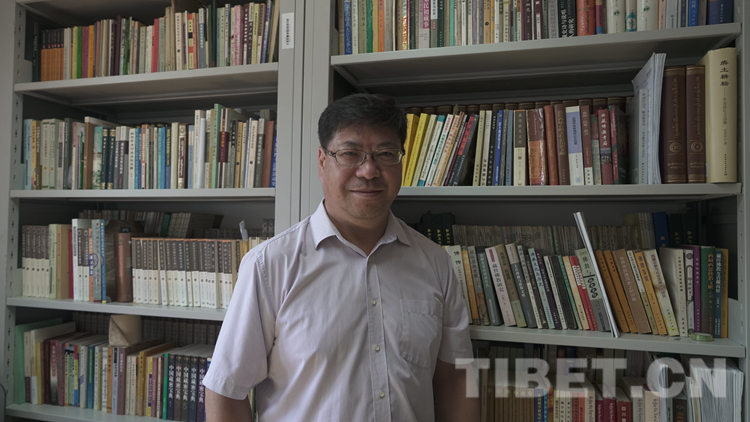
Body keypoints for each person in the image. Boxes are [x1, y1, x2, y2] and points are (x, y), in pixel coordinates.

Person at [203, 93, 479, 422]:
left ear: (401, 162)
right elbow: (226, 392)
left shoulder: (435, 263)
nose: (369, 170)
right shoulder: (270, 265)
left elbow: (455, 377)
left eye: (385, 154)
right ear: (322, 161)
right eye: (350, 154)